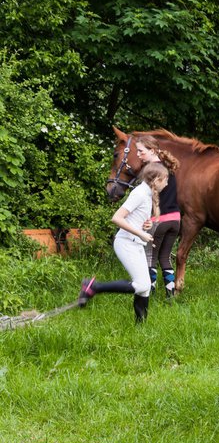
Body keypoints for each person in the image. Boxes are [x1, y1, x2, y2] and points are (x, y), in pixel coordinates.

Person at [78, 161, 167, 323]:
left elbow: (133, 218)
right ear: (156, 180)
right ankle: (94, 287)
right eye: (165, 179)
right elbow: (117, 218)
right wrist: (141, 233)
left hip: (135, 243)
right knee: (141, 285)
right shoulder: (140, 193)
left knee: (145, 287)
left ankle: (140, 327)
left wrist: (145, 225)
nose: (167, 183)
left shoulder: (147, 194)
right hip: (126, 243)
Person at [134, 136, 182, 298]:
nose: (138, 155)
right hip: (175, 219)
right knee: (165, 256)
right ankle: (170, 295)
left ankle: (150, 294)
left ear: (152, 150)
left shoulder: (152, 171)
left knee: (150, 257)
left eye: (141, 151)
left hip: (159, 220)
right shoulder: (168, 167)